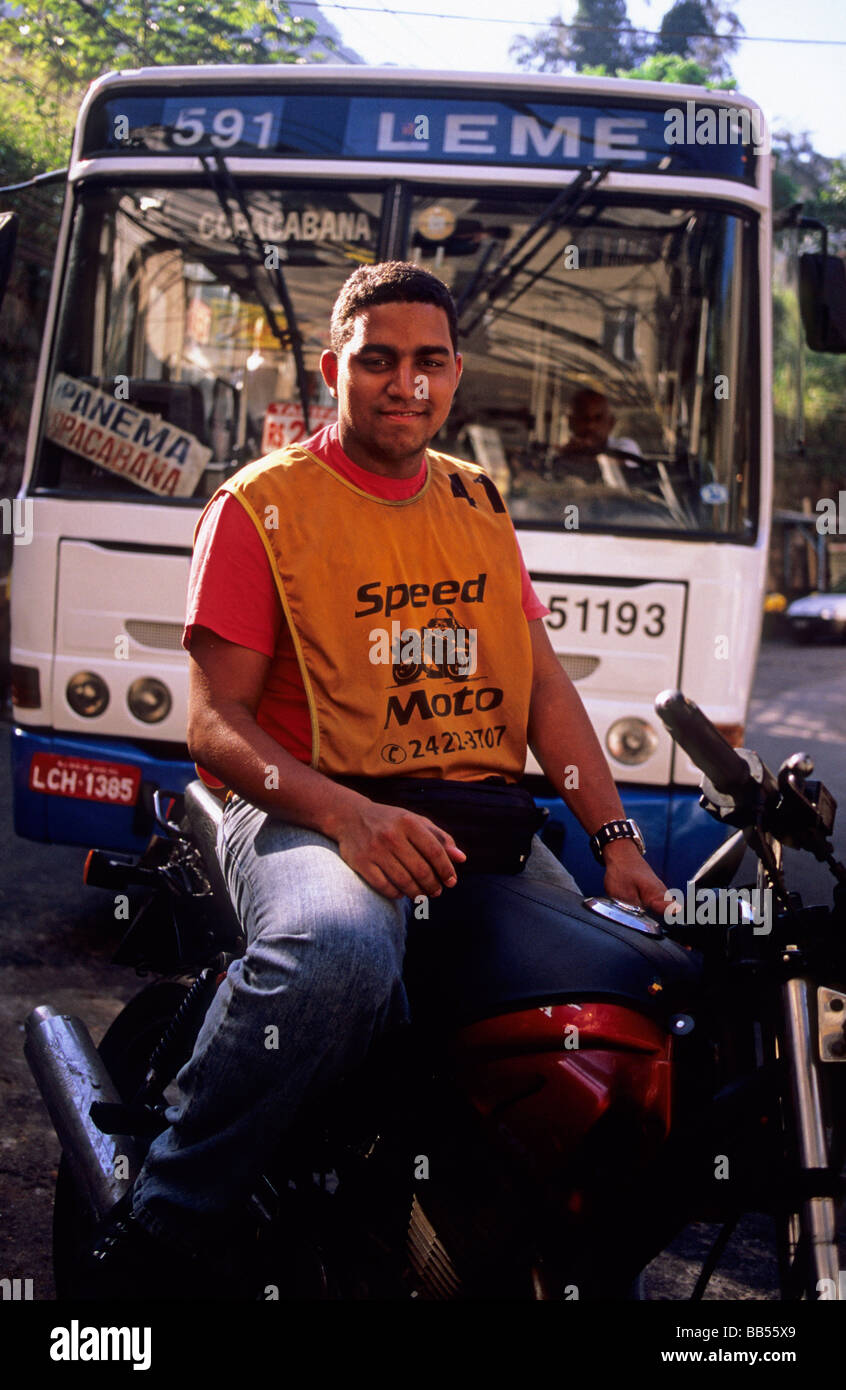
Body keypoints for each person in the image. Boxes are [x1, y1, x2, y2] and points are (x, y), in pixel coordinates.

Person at [86, 262, 669, 1297]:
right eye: (380, 361)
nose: (407, 385)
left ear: (457, 374)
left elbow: (546, 694)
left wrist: (618, 843)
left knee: (612, 999)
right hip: (299, 809)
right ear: (333, 369)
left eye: (430, 363)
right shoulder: (260, 508)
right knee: (342, 953)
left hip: (471, 823)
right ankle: (164, 1226)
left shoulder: (477, 503)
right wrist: (348, 816)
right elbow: (212, 724)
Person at [558, 386, 643, 488]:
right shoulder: (559, 456)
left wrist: (584, 452)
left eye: (598, 418)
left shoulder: (625, 446)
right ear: (571, 422)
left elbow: (623, 466)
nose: (590, 425)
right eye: (583, 418)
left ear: (611, 423)